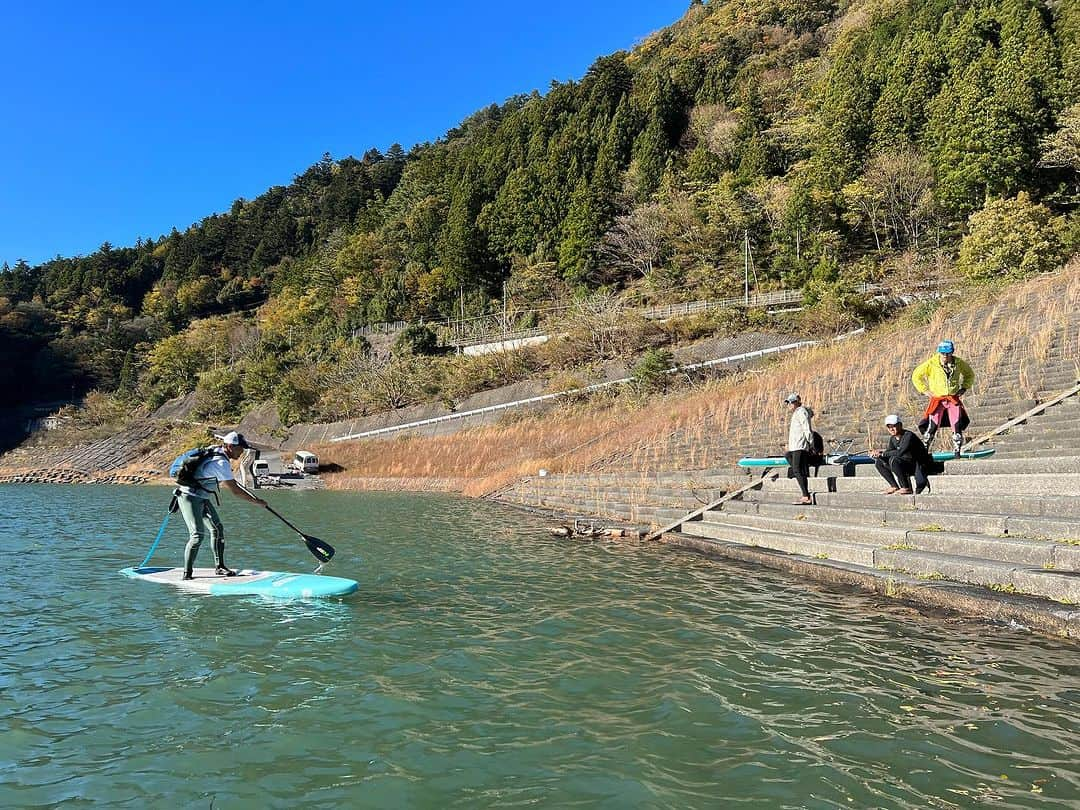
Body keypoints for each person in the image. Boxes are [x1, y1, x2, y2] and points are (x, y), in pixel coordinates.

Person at [176, 431, 268, 580]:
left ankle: (220, 567)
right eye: (240, 448)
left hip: (202, 497)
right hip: (189, 497)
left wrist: (255, 497)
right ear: (230, 447)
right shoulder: (221, 462)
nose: (243, 452)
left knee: (217, 529)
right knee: (197, 535)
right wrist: (257, 502)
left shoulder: (217, 451)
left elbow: (233, 483)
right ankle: (187, 575)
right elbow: (236, 491)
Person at [911, 340, 975, 456]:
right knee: (932, 426)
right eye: (943, 353)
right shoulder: (931, 363)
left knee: (956, 425)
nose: (945, 356)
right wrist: (925, 390)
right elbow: (916, 376)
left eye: (948, 353)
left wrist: (964, 387)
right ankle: (924, 451)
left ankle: (957, 452)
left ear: (952, 352)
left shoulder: (959, 363)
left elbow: (970, 374)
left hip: (952, 398)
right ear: (939, 352)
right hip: (937, 399)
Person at [870, 414, 932, 495]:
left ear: (900, 425)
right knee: (879, 462)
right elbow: (889, 452)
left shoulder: (908, 436)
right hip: (905, 463)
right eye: (889, 427)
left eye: (894, 426)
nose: (891, 429)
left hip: (917, 464)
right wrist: (878, 454)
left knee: (894, 460)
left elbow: (900, 452)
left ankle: (906, 487)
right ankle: (894, 486)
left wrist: (882, 454)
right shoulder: (893, 439)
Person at [783, 392, 815, 505]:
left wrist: (811, 444)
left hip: (800, 446)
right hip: (795, 446)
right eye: (788, 403)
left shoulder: (801, 412)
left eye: (791, 402)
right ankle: (804, 492)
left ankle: (806, 496)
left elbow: (807, 429)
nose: (789, 405)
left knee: (797, 470)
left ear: (796, 402)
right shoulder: (796, 413)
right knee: (790, 460)